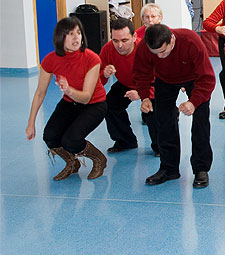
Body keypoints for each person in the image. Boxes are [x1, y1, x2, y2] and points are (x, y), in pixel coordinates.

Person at [133, 24, 215, 188]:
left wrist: (193, 102)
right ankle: (169, 168)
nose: (160, 56)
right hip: (165, 79)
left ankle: (201, 168)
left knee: (200, 122)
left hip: (194, 78)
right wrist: (144, 97)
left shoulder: (191, 41)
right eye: (156, 53)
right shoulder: (145, 47)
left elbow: (207, 78)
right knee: (163, 121)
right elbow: (141, 73)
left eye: (163, 51)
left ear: (172, 39)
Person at [26, 16, 108, 180]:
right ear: (60, 37)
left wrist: (69, 90)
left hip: (95, 104)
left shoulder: (91, 58)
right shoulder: (50, 60)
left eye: (78, 33)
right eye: (70, 34)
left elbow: (86, 98)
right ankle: (72, 163)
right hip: (71, 103)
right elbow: (40, 93)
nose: (76, 37)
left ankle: (99, 159)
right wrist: (31, 123)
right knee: (50, 136)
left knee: (71, 140)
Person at [99, 17, 162, 155]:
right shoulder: (108, 49)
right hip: (125, 83)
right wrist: (104, 74)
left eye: (124, 40)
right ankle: (125, 141)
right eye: (115, 40)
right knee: (109, 105)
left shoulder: (147, 49)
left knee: (152, 112)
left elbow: (162, 81)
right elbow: (99, 81)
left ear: (134, 37)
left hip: (150, 85)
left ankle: (160, 146)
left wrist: (141, 94)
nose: (119, 45)